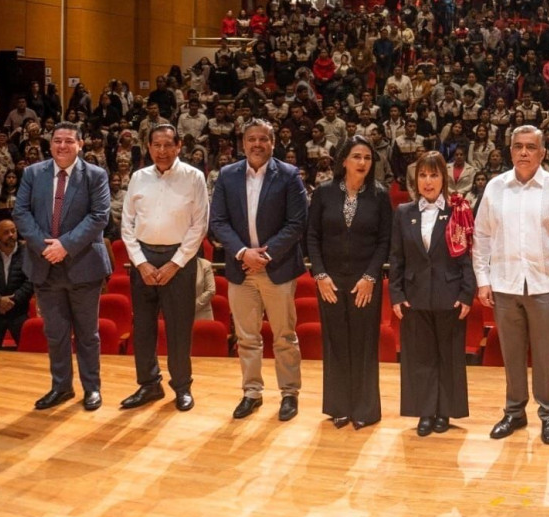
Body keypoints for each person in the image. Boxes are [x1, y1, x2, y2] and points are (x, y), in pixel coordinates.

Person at [473, 125, 549, 445]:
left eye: (531, 147)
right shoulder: (495, 188)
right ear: (510, 151)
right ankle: (514, 412)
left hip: (545, 283)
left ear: (543, 152)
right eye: (518, 146)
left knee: (546, 355)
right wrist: (483, 280)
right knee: (512, 353)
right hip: (505, 284)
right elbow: (481, 238)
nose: (524, 152)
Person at [210, 119, 308, 422]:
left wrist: (264, 255)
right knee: (247, 337)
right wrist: (243, 252)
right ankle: (251, 392)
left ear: (273, 142)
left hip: (276, 267)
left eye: (263, 139)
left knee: (284, 336)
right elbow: (218, 222)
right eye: (251, 139)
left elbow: (297, 223)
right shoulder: (227, 175)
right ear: (243, 143)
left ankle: (289, 393)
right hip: (241, 268)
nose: (256, 144)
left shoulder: (290, 176)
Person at [14, 121, 111, 411]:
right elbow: (20, 212)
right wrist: (47, 247)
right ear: (50, 143)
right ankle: (61, 387)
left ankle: (91, 389)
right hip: (45, 265)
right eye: (57, 140)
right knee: (55, 335)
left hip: (83, 265)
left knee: (87, 335)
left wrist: (65, 245)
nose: (62, 146)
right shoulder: (33, 173)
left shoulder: (95, 175)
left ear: (80, 144)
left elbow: (99, 216)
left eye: (69, 141)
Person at [119, 124, 209, 412]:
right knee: (143, 327)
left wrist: (175, 263)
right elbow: (127, 225)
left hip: (179, 260)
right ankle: (148, 385)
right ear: (148, 147)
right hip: (143, 258)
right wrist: (141, 263)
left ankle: (182, 387)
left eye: (168, 145)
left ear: (179, 145)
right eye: (156, 145)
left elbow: (199, 226)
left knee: (179, 327)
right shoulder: (137, 178)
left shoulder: (194, 177)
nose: (162, 151)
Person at [306, 136, 392, 429]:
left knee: (365, 343)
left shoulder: (380, 195)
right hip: (329, 281)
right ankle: (339, 406)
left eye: (367, 158)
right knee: (335, 342)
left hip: (365, 282)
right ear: (343, 160)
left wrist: (370, 277)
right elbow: (312, 237)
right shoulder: (323, 193)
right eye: (357, 156)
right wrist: (319, 275)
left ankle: (365, 409)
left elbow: (384, 241)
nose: (363, 162)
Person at [388, 151, 475, 436]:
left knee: (449, 357)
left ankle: (445, 413)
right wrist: (397, 295)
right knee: (419, 358)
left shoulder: (458, 211)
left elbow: (467, 256)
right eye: (423, 175)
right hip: (414, 296)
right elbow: (397, 258)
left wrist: (466, 294)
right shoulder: (404, 213)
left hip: (449, 295)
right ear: (416, 179)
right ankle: (424, 412)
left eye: (434, 175)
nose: (428, 181)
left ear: (444, 179)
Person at [0, 219, 33, 349]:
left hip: (19, 312)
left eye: (13, 231)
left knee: (28, 354)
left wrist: (11, 301)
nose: (11, 234)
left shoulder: (27, 252)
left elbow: (31, 281)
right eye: (6, 232)